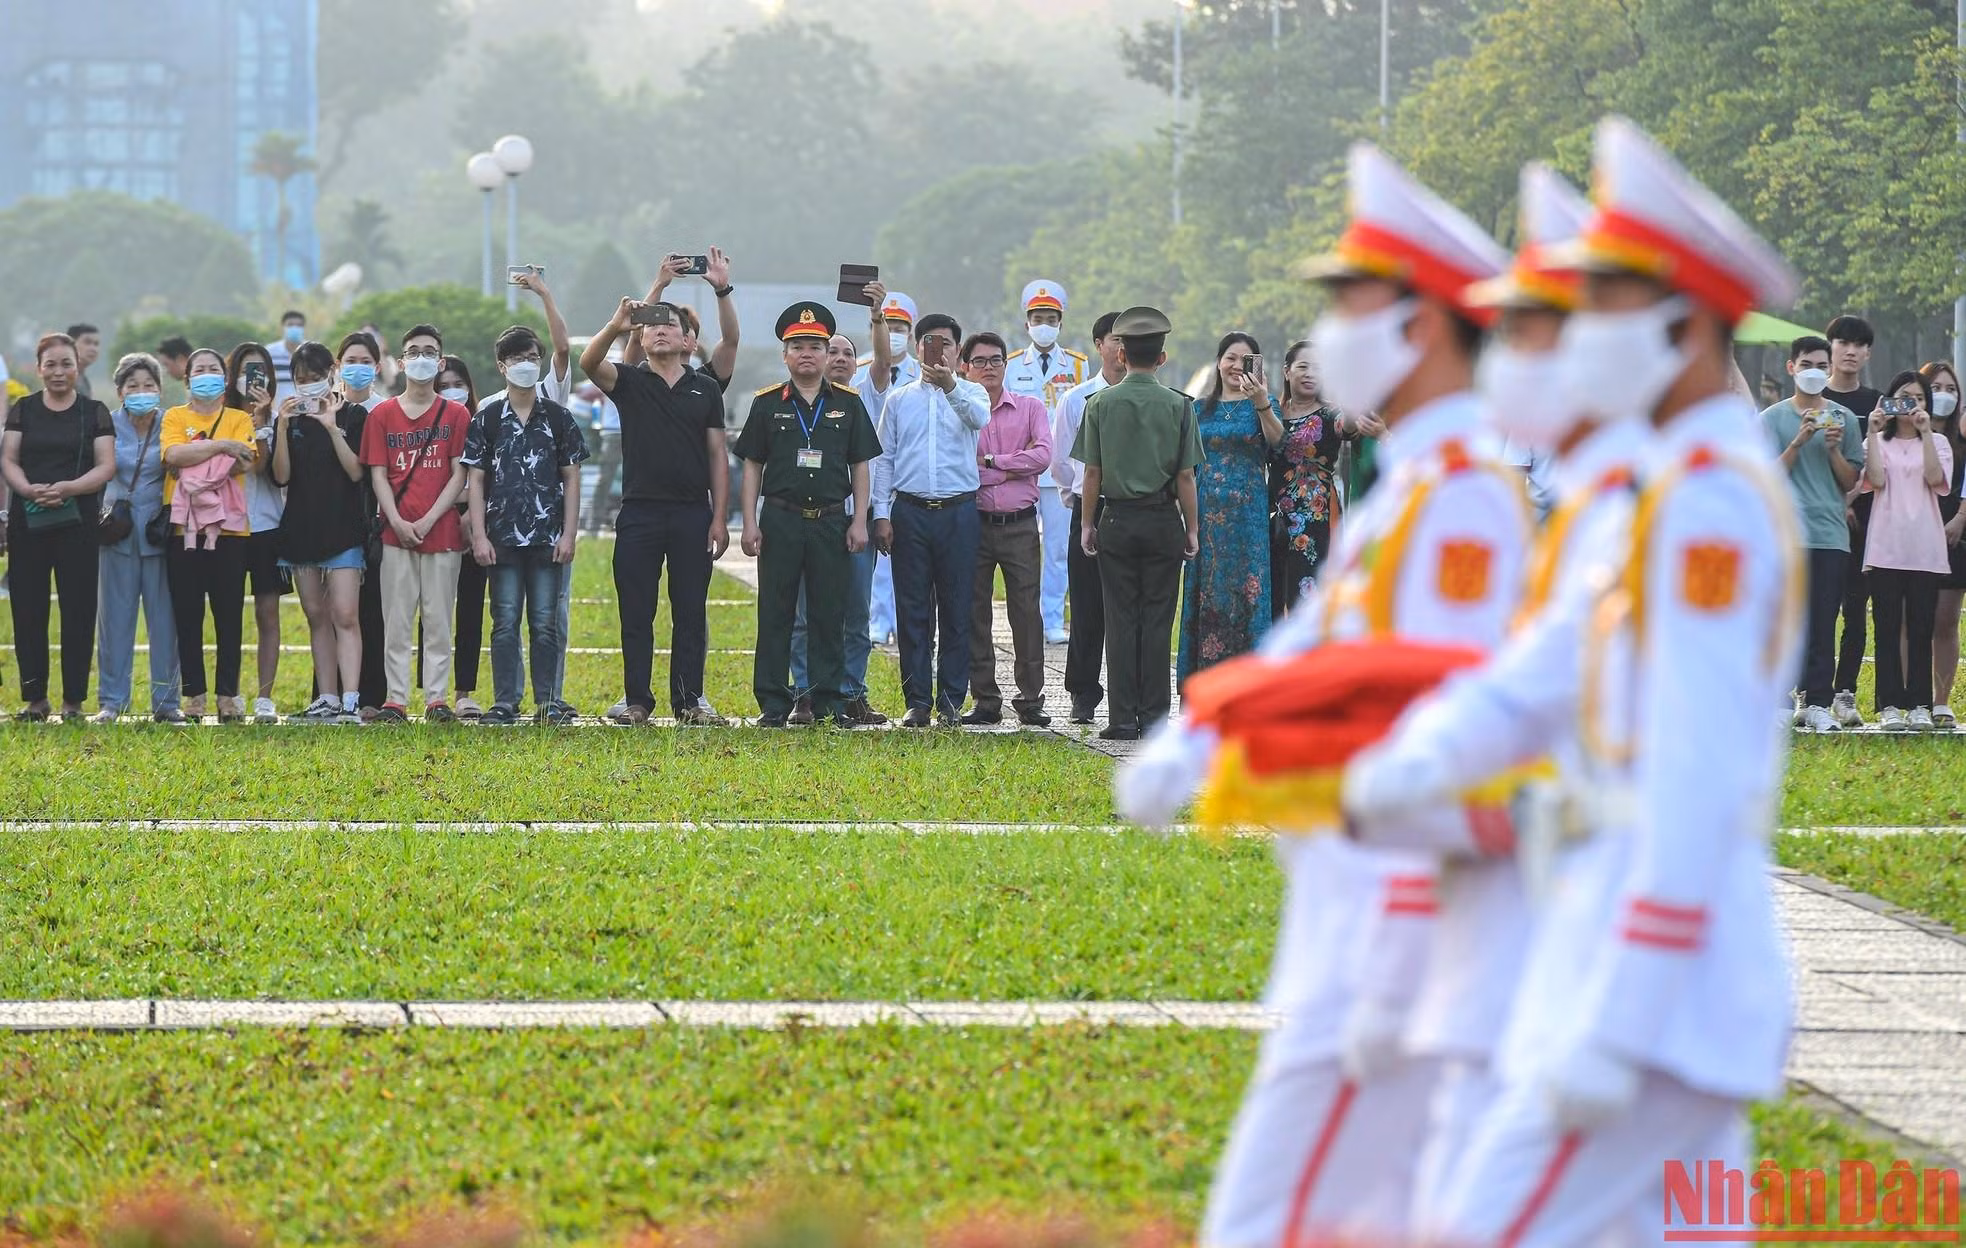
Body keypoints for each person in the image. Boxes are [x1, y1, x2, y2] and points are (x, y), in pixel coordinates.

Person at [1347, 117, 1802, 1247]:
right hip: (1632, 952)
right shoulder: (1666, 491)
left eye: (1597, 307)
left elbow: (1694, 775)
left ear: (1685, 325)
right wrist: (1409, 761)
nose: (1571, 337)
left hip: (1654, 979)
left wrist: (1623, 1006)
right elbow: (1535, 679)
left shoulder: (1705, 499)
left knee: (1480, 1226)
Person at [1118, 143, 1519, 1244]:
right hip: (1355, 909)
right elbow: (1319, 650)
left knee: (1273, 1212)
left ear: (1422, 328)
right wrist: (1211, 722)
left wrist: (1227, 742)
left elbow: (1428, 710)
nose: (1326, 337)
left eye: (1352, 304)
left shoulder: (1462, 498)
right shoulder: (1411, 491)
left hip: (1393, 923)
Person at [1337, 160, 1625, 1239]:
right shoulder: (1607, 505)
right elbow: (1512, 686)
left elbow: (1690, 777)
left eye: (1541, 329)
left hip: (1628, 955)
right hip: (1563, 931)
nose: (1517, 358)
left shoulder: (1682, 511)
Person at [580, 295, 732, 727]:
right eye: (651, 326)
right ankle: (637, 700)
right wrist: (616, 323)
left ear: (686, 338)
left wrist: (719, 516)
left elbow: (718, 454)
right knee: (636, 609)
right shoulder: (630, 381)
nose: (660, 329)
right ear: (640, 337)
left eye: (670, 324)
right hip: (640, 513)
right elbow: (589, 363)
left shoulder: (704, 387)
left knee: (689, 610)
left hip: (691, 514)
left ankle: (688, 701)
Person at [736, 301, 879, 727]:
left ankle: (829, 701)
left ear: (825, 352)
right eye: (797, 345)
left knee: (827, 613)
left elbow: (860, 465)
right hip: (780, 519)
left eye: (815, 346)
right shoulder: (767, 404)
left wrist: (858, 521)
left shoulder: (849, 405)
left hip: (832, 520)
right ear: (785, 354)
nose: (807, 353)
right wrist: (749, 521)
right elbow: (752, 466)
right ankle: (774, 702)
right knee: (776, 612)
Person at [1074, 307, 1204, 741]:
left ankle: (1121, 716)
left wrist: (1087, 525)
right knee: (1157, 619)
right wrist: (1191, 529)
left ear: (1123, 354)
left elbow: (1091, 473)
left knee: (1120, 617)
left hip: (1117, 519)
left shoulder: (1099, 404)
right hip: (1163, 519)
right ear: (1162, 358)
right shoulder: (1180, 407)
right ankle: (1154, 719)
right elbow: (1186, 476)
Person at [871, 312, 991, 727]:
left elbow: (979, 420)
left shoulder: (973, 393)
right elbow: (884, 460)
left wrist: (950, 385)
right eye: (929, 342)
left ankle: (952, 699)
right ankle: (918, 700)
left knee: (958, 606)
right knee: (913, 608)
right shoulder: (900, 399)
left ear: (958, 352)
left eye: (946, 342)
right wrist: (882, 514)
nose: (936, 349)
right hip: (911, 512)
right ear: (918, 347)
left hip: (958, 511)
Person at [465, 327, 587, 725]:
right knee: (503, 623)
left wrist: (569, 533)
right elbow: (477, 480)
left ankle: (548, 701)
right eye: (517, 360)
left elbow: (572, 477)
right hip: (500, 540)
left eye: (532, 358)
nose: (526, 366)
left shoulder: (558, 417)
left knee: (545, 623)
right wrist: (479, 536)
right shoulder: (487, 418)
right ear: (502, 366)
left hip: (548, 539)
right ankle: (505, 701)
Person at [360, 324, 471, 723]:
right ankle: (396, 699)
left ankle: (437, 699)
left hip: (441, 532)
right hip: (395, 534)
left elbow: (460, 474)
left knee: (439, 618)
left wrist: (428, 518)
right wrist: (398, 521)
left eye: (429, 352)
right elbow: (378, 475)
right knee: (397, 618)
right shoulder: (383, 415)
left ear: (440, 362)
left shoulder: (457, 415)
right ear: (402, 362)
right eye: (413, 352)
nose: (421, 358)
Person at [3, 333, 116, 720]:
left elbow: (105, 466)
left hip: (78, 523)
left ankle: (72, 701)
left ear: (77, 367)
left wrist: (70, 488)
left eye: (65, 363)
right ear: (38, 368)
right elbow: (9, 459)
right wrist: (26, 490)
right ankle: (35, 700)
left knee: (79, 610)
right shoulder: (23, 410)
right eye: (49, 364)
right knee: (28, 609)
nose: (58, 371)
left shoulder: (95, 411)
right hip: (27, 523)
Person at [787, 320, 890, 726]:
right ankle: (805, 693)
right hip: (811, 522)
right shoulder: (796, 400)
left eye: (848, 353)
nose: (841, 358)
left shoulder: (866, 395)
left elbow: (883, 360)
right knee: (805, 613)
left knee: (855, 612)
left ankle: (852, 693)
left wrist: (878, 316)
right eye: (833, 352)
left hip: (854, 522)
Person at [1765, 335, 1861, 732]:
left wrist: (1833, 450)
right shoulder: (1771, 419)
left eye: (1822, 366)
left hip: (1829, 535)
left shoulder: (1844, 419)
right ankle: (1780, 700)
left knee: (1824, 620)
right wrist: (1798, 442)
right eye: (1807, 365)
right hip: (1784, 533)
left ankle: (1817, 701)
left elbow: (1850, 480)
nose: (1814, 372)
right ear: (1792, 368)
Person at [271, 340, 369, 724]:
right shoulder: (292, 419)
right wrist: (280, 426)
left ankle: (350, 699)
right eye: (300, 379)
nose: (308, 385)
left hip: (344, 528)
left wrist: (331, 429)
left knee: (345, 613)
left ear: (333, 371)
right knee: (316, 614)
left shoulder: (354, 416)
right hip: (300, 529)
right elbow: (280, 475)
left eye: (314, 377)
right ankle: (325, 697)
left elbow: (357, 471)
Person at [961, 330, 1054, 727]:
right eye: (979, 361)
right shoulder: (960, 411)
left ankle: (1031, 699)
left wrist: (995, 463)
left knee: (1026, 613)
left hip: (1019, 526)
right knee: (974, 612)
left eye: (995, 360)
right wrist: (1010, 467)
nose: (988, 368)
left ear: (1006, 364)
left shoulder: (1030, 407)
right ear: (965, 367)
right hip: (974, 524)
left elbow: (1044, 455)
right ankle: (985, 699)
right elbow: (964, 467)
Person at [161, 347, 259, 722]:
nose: (206, 374)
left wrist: (195, 458)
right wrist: (220, 446)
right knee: (188, 615)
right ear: (186, 381)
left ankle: (228, 695)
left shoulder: (239, 417)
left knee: (229, 616)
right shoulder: (174, 416)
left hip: (230, 530)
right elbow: (171, 456)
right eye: (198, 370)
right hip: (183, 529)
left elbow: (245, 461)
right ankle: (194, 696)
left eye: (213, 369)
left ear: (225, 378)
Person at [1178, 333, 1283, 684]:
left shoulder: (1264, 404)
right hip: (1205, 512)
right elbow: (1185, 465)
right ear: (1218, 362)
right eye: (1230, 358)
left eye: (1246, 359)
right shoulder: (1197, 409)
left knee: (1247, 592)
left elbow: (1279, 443)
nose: (1237, 366)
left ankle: (1249, 681)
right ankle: (1204, 681)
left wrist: (1262, 402)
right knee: (1206, 591)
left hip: (1248, 517)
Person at [1861, 369, 1954, 731]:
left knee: (1921, 628)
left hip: (1924, 549)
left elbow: (1935, 479)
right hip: (1885, 547)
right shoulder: (1878, 442)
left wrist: (1927, 431)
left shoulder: (1940, 443)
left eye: (1916, 398)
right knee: (1886, 628)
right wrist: (1871, 431)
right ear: (1888, 400)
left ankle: (1919, 703)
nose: (1909, 405)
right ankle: (1889, 705)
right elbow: (1877, 481)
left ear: (1926, 405)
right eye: (1902, 397)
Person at [95, 352, 182, 723]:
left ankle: (167, 702)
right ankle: (112, 701)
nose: (141, 392)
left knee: (165, 621)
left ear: (160, 390)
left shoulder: (173, 424)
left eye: (149, 385)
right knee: (114, 620)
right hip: (117, 530)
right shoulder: (106, 425)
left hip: (159, 531)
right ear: (120, 391)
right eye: (133, 386)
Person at [1004, 279, 1089, 646]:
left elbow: (1082, 417)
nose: (1044, 324)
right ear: (1027, 323)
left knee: (1056, 550)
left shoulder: (1077, 365)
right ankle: (1023, 622)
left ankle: (1052, 619)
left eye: (1050, 318)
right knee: (1021, 551)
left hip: (1059, 473)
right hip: (1019, 472)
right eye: (1037, 317)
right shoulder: (1010, 366)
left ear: (1060, 323)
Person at [1053, 311, 1123, 724]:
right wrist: (1078, 499)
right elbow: (1061, 460)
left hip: (1133, 508)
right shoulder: (1076, 398)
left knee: (1126, 604)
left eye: (1129, 340)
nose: (1122, 348)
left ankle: (1126, 690)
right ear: (1099, 344)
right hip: (1089, 506)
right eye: (1115, 339)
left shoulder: (1146, 396)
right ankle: (1082, 691)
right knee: (1086, 604)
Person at [225, 341, 288, 723]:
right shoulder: (219, 418)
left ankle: (265, 697)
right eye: (247, 370)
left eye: (261, 370)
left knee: (268, 612)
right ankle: (228, 694)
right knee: (227, 613)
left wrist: (264, 421)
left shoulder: (279, 418)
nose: (254, 377)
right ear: (233, 376)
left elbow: (269, 471)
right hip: (227, 526)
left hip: (266, 525)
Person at [1824, 314, 1881, 727]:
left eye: (1859, 345)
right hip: (1820, 522)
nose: (1850, 351)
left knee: (1856, 608)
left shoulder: (1877, 404)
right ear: (1830, 348)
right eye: (1843, 342)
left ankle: (1845, 692)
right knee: (1819, 609)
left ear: (1868, 353)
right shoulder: (1813, 401)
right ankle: (1811, 691)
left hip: (1867, 523)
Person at [856, 289, 918, 650]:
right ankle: (879, 620)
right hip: (872, 470)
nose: (894, 332)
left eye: (900, 326)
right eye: (888, 324)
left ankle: (904, 621)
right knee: (878, 556)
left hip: (908, 473)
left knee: (908, 555)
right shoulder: (862, 368)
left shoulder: (922, 373)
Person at [334, 331, 391, 719]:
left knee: (373, 611)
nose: (356, 368)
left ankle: (373, 696)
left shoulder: (386, 412)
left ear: (377, 366)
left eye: (364, 361)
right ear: (337, 367)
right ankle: (331, 692)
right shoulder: (325, 411)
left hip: (377, 522)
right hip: (334, 523)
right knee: (336, 614)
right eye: (349, 361)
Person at [434, 355, 491, 719]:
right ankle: (433, 691)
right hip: (434, 520)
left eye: (458, 384)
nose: (452, 392)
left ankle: (464, 692)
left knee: (470, 608)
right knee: (433, 609)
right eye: (444, 386)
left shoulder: (481, 422)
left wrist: (474, 513)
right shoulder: (426, 424)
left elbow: (489, 474)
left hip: (474, 519)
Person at [1269, 341, 1344, 614]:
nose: (1310, 373)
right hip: (1275, 513)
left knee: (1310, 591)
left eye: (1317, 368)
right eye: (1303, 367)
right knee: (1276, 588)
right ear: (1287, 371)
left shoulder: (1330, 413)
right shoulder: (1273, 411)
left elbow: (1348, 426)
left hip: (1317, 516)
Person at [1920, 360, 1966, 728]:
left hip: (1955, 535)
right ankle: (1908, 699)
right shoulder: (1902, 434)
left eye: (1951, 390)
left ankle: (1941, 701)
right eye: (1936, 388)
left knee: (1945, 620)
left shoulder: (1962, 438)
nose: (1944, 397)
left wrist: (1960, 519)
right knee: (1909, 617)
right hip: (1908, 536)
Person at [579, 380, 623, 535]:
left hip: (633, 431)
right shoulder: (611, 368)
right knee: (605, 479)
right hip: (612, 431)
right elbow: (584, 391)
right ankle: (594, 524)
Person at [266, 310, 307, 400]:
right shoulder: (270, 352)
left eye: (299, 325)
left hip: (306, 407)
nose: (295, 328)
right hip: (277, 409)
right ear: (282, 327)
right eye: (290, 325)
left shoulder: (311, 351)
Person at [66, 323, 102, 399]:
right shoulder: (62, 378)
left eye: (96, 344)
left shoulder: (84, 381)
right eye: (87, 342)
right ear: (71, 344)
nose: (93, 349)